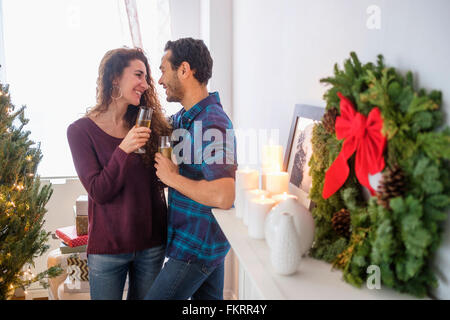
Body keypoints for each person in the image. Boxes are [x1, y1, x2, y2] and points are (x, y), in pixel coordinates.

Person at [67, 47, 171, 300]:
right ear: (115, 77)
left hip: (152, 244)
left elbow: (160, 180)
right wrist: (124, 148)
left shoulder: (149, 124)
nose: (145, 84)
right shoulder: (80, 131)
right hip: (107, 250)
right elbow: (99, 191)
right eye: (139, 75)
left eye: (146, 78)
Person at [144, 38, 237, 300]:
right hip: (201, 243)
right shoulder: (187, 118)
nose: (160, 80)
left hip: (197, 246)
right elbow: (160, 123)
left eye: (163, 70)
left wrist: (173, 178)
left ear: (184, 70)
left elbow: (224, 195)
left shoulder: (211, 124)